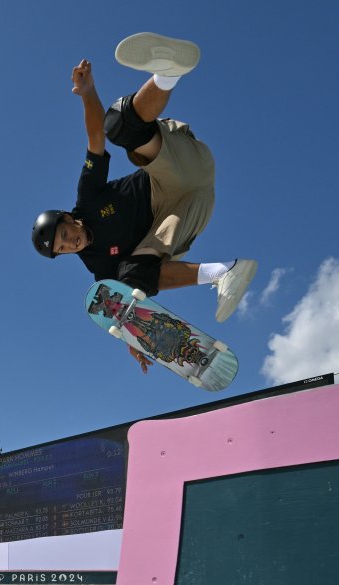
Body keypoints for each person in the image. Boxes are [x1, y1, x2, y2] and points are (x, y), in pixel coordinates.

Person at [32, 32, 257, 372]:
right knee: (127, 280)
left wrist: (88, 92)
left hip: (176, 171)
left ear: (68, 218)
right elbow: (123, 308)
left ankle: (169, 72)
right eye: (63, 250)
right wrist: (134, 339)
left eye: (64, 236)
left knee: (118, 124)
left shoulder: (88, 198)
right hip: (184, 214)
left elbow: (95, 138)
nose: (70, 245)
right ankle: (225, 273)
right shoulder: (98, 268)